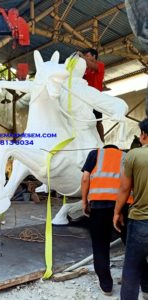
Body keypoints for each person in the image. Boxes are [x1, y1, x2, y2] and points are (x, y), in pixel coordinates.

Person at [81, 144, 132, 296]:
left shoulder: (95, 154)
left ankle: (106, 286)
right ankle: (145, 285)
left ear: (104, 149)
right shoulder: (126, 155)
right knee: (132, 246)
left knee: (100, 245)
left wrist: (84, 202)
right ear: (116, 149)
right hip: (124, 206)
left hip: (99, 206)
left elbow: (85, 179)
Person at [113, 118, 148, 300]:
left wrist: (117, 212)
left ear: (143, 135)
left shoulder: (134, 156)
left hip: (141, 220)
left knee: (132, 267)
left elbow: (124, 189)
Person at [78, 48, 105, 142]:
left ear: (94, 56)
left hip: (95, 98)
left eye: (87, 56)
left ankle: (102, 141)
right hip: (85, 98)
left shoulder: (99, 65)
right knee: (85, 121)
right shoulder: (85, 69)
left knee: (98, 121)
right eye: (85, 56)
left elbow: (94, 67)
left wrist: (82, 57)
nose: (85, 58)